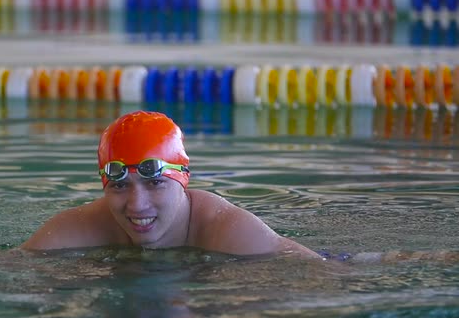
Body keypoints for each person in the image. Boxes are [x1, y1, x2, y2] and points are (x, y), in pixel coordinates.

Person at [21, 110, 319, 258]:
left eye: (155, 183)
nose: (137, 205)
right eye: (120, 186)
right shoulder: (78, 228)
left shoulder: (230, 232)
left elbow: (327, 278)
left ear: (183, 179)